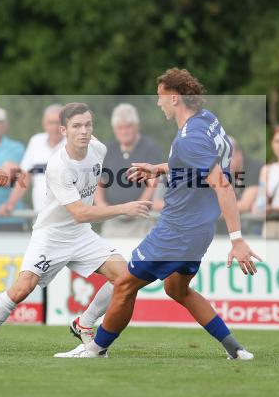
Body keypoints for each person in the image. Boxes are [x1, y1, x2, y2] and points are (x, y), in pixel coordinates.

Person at [57, 68, 260, 360]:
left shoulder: (189, 138)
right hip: (199, 229)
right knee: (177, 289)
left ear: (175, 98)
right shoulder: (207, 120)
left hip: (177, 229)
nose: (158, 102)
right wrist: (159, 168)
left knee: (124, 284)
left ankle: (95, 349)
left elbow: (223, 185)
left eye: (160, 96)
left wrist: (237, 240)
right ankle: (236, 349)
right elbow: (197, 164)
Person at [0, 103, 153, 353]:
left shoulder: (98, 149)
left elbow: (86, 205)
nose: (83, 131)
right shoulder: (58, 166)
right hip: (51, 236)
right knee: (22, 288)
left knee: (126, 277)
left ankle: (84, 323)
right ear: (63, 130)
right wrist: (124, 208)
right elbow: (80, 213)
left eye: (88, 125)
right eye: (76, 126)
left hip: (81, 235)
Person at [94, 103, 163, 237]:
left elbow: (153, 184)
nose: (124, 131)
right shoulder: (107, 150)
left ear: (137, 127)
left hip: (142, 220)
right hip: (113, 220)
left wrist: (138, 208)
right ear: (114, 129)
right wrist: (104, 208)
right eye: (120, 128)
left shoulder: (151, 149)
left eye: (128, 127)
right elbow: (99, 182)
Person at [6, 104, 64, 214]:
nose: (55, 127)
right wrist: (11, 203)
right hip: (40, 214)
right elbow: (25, 176)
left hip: (69, 217)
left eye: (58, 123)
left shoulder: (74, 143)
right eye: (51, 123)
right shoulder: (36, 141)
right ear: (44, 124)